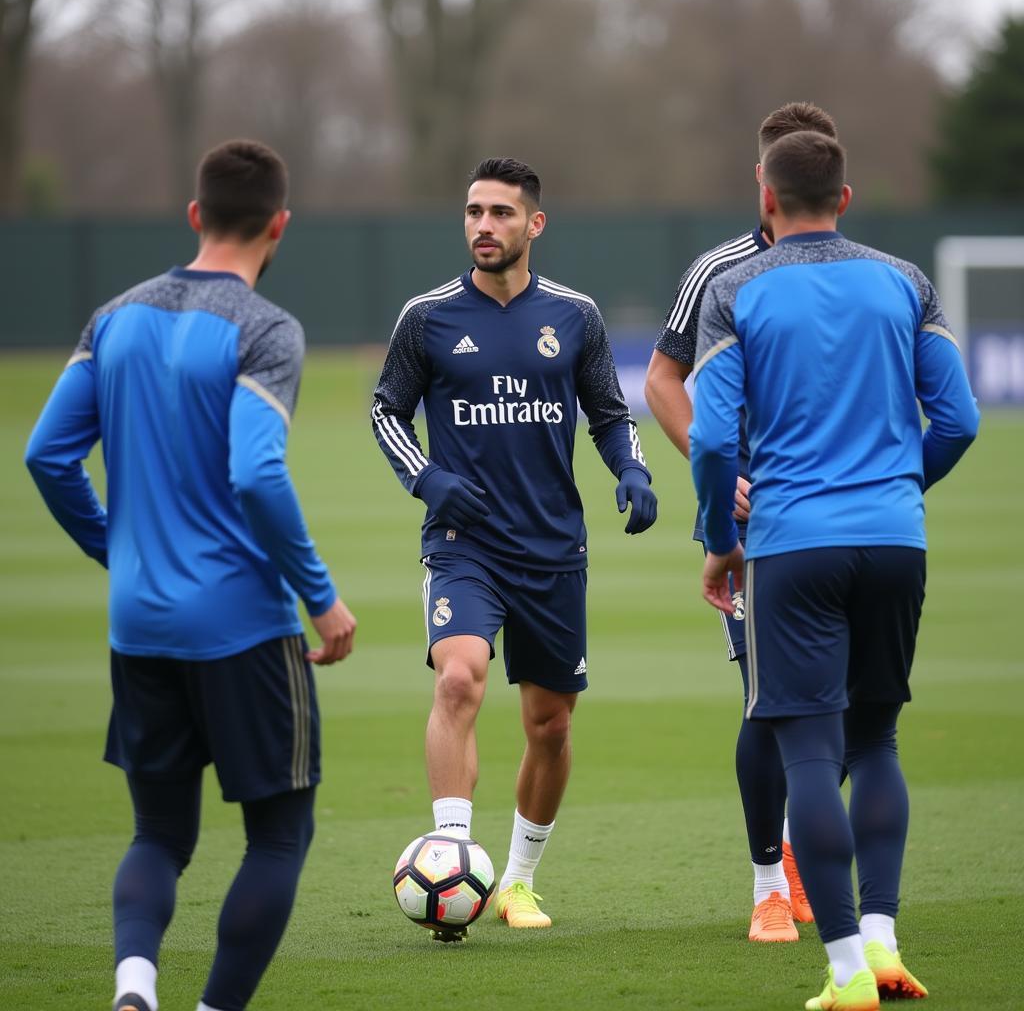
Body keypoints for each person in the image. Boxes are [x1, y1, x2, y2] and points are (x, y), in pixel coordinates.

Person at [24, 140, 357, 1011]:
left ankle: (135, 987)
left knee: (159, 834)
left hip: (138, 625)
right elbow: (257, 474)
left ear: (194, 216)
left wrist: (115, 548)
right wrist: (321, 599)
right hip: (241, 625)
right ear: (280, 225)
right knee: (279, 836)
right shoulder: (266, 329)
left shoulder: (114, 315)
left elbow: (46, 456)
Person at [690, 130, 979, 1010]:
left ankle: (848, 970)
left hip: (791, 543)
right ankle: (887, 948)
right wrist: (897, 488)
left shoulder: (738, 288)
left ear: (765, 199)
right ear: (845, 199)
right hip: (896, 539)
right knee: (878, 740)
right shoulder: (904, 280)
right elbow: (959, 419)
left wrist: (719, 536)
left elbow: (708, 438)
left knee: (810, 753)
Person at [372, 157, 657, 933]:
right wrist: (428, 481)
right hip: (463, 544)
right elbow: (386, 412)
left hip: (553, 548)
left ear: (534, 224)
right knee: (459, 679)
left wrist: (630, 468)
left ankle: (519, 882)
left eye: (500, 213)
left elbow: (608, 409)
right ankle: (453, 860)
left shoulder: (575, 315)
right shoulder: (425, 316)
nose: (483, 227)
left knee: (551, 726)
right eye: (472, 212)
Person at [644, 101, 838, 941]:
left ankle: (802, 864)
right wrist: (717, 477)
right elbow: (660, 381)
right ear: (762, 183)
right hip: (753, 521)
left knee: (830, 706)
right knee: (768, 702)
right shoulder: (720, 272)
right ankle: (768, 882)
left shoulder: (852, 269)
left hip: (836, 514)